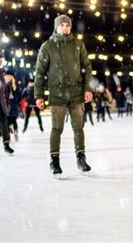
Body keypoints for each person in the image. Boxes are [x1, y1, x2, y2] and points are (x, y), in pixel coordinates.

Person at [34, 14, 94, 177]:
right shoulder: (47, 46)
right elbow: (40, 72)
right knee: (57, 128)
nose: (66, 28)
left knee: (78, 128)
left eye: (68, 25)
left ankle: (81, 158)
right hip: (57, 93)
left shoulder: (78, 45)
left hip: (76, 92)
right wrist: (39, 95)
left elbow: (87, 68)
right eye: (63, 25)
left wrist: (88, 89)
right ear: (56, 27)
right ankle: (54, 161)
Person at [4, 71, 22, 142]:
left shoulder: (15, 85)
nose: (8, 77)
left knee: (14, 120)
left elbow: (19, 95)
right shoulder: (3, 84)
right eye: (7, 76)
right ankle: (8, 135)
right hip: (6, 106)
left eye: (10, 76)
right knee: (7, 121)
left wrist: (16, 99)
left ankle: (15, 132)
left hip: (13, 105)